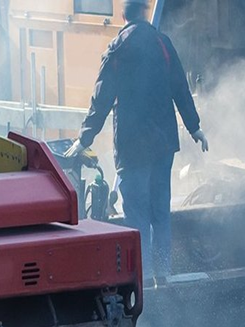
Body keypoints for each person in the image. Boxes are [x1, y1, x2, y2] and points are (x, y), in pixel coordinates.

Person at [67, 0, 206, 285]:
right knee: (160, 212)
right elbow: (181, 88)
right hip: (163, 144)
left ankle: (139, 281)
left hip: (132, 147)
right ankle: (163, 276)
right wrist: (195, 128)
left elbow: (101, 100)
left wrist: (84, 139)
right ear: (143, 13)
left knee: (137, 217)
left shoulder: (118, 49)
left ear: (122, 15)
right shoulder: (163, 44)